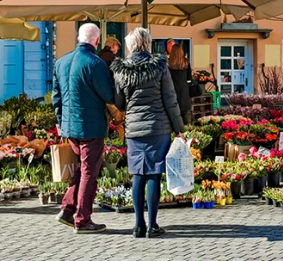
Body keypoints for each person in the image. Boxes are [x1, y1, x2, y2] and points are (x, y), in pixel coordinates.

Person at [111, 28, 184, 239]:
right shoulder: (159, 66)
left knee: (137, 175)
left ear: (130, 46)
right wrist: (179, 128)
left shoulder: (120, 69)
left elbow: (119, 102)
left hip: (134, 129)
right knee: (153, 174)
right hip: (158, 127)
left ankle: (138, 225)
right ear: (147, 43)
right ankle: (152, 225)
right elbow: (170, 99)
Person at [52, 23, 114, 234]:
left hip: (69, 126)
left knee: (81, 169)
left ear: (78, 38)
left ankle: (68, 209)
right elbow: (108, 94)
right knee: (89, 172)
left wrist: (61, 122)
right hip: (90, 127)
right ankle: (83, 219)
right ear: (96, 41)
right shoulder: (95, 64)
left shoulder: (61, 62)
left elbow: (56, 98)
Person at [168, 44, 193, 124]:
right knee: (186, 120)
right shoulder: (186, 62)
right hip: (184, 93)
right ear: (181, 51)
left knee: (173, 120)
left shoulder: (168, 63)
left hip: (172, 92)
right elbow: (189, 79)